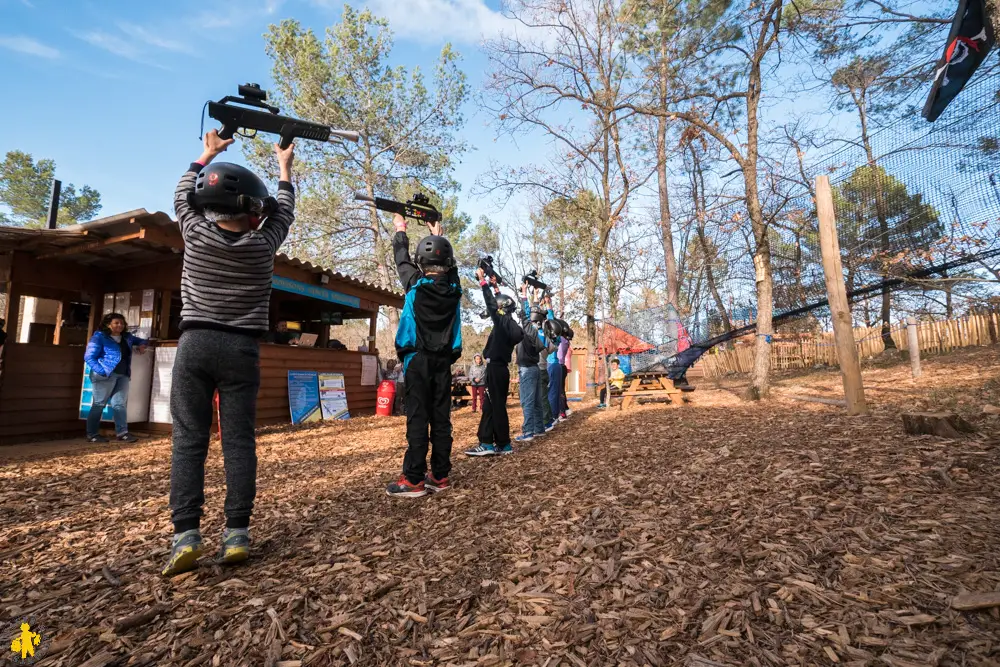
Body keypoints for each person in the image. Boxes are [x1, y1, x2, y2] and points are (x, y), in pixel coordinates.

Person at [162, 130, 296, 577]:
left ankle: (186, 534)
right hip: (242, 348)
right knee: (238, 440)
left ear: (207, 207)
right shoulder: (262, 245)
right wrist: (283, 169)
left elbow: (183, 191)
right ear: (253, 213)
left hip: (195, 344)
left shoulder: (195, 233)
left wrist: (209, 152)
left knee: (189, 440)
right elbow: (284, 212)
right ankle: (236, 531)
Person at [384, 212, 463, 498]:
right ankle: (439, 475)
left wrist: (401, 228)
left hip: (417, 360)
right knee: (441, 418)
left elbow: (401, 258)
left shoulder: (415, 285)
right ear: (448, 262)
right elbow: (450, 270)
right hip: (443, 362)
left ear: (422, 262)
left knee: (418, 418)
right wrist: (439, 235)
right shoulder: (454, 290)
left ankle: (414, 479)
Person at [466, 271, 523, 457]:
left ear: (500, 310)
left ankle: (501, 444)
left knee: (496, 407)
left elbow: (492, 304)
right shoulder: (509, 324)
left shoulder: (501, 322)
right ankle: (490, 442)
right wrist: (495, 286)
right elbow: (502, 303)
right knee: (491, 406)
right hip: (499, 369)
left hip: (496, 370)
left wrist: (483, 283)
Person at [83, 313, 148, 443]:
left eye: (122, 323)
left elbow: (142, 340)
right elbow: (89, 357)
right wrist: (102, 371)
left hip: (123, 374)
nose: (120, 325)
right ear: (108, 324)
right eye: (116, 323)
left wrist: (142, 345)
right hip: (105, 374)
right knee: (99, 404)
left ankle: (122, 433)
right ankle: (92, 434)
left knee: (119, 404)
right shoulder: (99, 337)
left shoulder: (127, 337)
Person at [514, 282, 546, 442]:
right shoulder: (536, 332)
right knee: (537, 401)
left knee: (527, 401)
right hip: (534, 369)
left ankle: (528, 432)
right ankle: (539, 429)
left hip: (527, 369)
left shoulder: (529, 330)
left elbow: (526, 314)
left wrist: (524, 294)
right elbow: (530, 314)